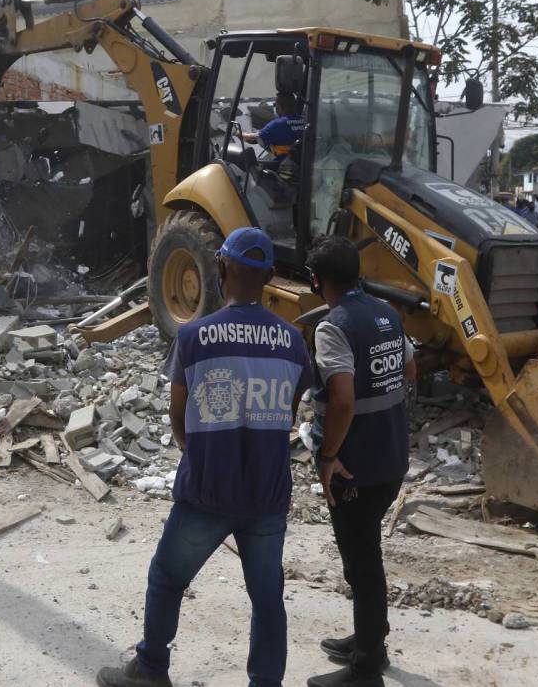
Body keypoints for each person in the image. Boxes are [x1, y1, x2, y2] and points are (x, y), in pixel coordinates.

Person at [96, 227, 312, 687]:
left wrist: (199, 451)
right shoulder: (294, 342)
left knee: (168, 576)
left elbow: (179, 415)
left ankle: (151, 670)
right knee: (267, 597)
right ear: (271, 276)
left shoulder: (195, 336)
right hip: (267, 494)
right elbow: (289, 416)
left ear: (221, 269)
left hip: (208, 490)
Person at [305, 236, 415, 687]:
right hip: (390, 457)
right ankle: (370, 639)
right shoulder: (387, 313)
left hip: (354, 467)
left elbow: (344, 400)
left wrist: (328, 455)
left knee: (363, 562)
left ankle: (368, 666)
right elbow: (408, 370)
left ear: (316, 281)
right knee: (363, 557)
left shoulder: (333, 327)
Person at [243, 93, 306, 162]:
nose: (275, 108)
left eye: (275, 105)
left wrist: (239, 133)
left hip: (284, 166)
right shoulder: (305, 120)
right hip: (303, 163)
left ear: (280, 107)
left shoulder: (277, 125)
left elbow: (253, 137)